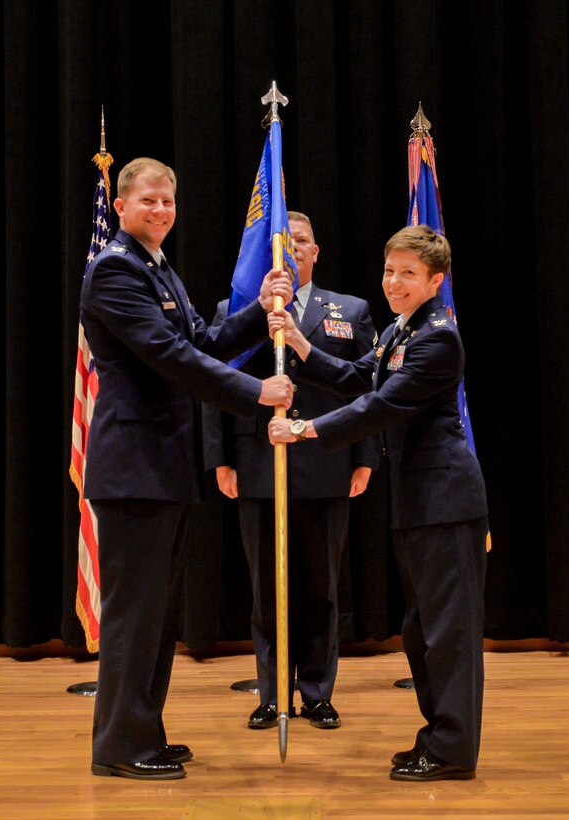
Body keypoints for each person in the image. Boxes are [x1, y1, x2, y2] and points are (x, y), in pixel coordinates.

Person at [79, 157, 294, 780]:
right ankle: (120, 745)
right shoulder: (116, 270)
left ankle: (143, 730)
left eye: (168, 202)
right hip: (134, 468)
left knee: (156, 614)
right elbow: (171, 357)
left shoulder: (158, 268)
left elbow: (202, 341)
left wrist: (258, 309)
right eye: (148, 201)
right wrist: (256, 393)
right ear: (121, 206)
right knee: (134, 613)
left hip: (162, 467)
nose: (160, 211)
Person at [268, 224, 487, 782]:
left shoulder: (439, 336)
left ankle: (453, 749)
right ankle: (436, 736)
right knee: (421, 631)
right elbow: (360, 377)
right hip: (418, 501)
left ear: (436, 280)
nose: (394, 282)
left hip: (446, 501)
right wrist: (300, 345)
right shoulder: (400, 331)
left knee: (448, 633)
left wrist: (305, 430)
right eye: (390, 271)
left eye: (408, 274)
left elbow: (379, 407)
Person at [203, 212, 380, 731]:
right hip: (258, 463)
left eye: (300, 242)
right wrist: (220, 457)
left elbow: (368, 390)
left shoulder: (350, 309)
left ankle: (318, 692)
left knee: (322, 588)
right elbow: (214, 386)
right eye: (283, 243)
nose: (292, 250)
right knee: (267, 588)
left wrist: (364, 456)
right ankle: (273, 692)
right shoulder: (236, 310)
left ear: (315, 251)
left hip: (327, 464)